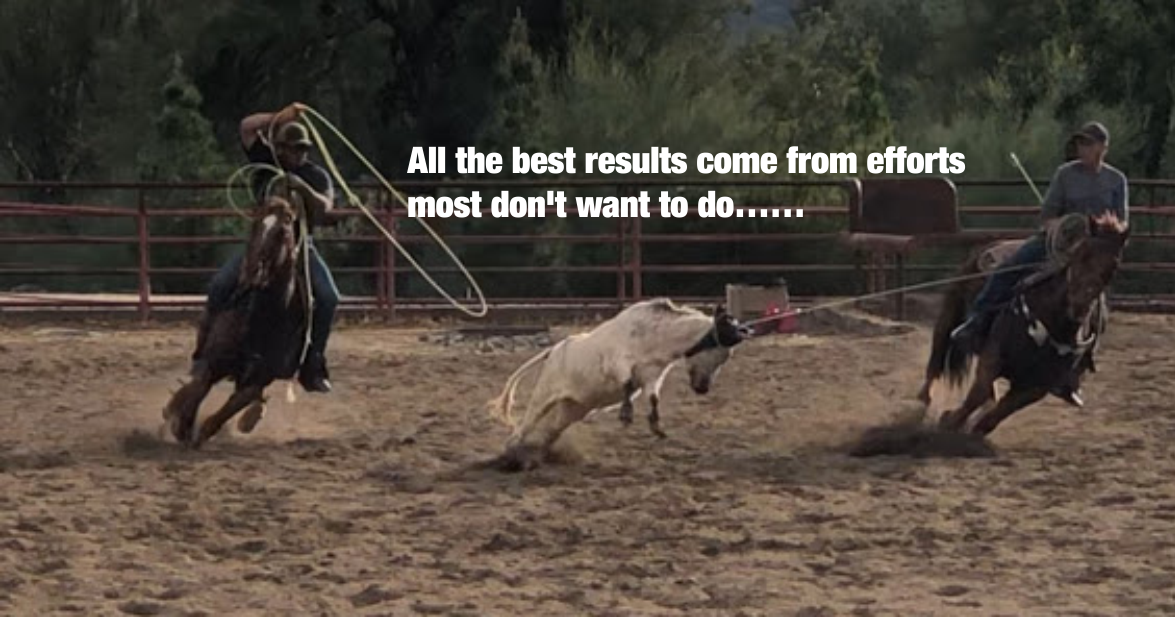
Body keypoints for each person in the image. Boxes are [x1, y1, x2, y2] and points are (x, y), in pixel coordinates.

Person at [949, 121, 1129, 407]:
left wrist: (1104, 239)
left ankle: (1073, 371)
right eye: (1080, 143)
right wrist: (1061, 227)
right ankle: (976, 322)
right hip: (1054, 243)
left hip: (1090, 254)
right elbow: (1046, 216)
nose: (1082, 149)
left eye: (1088, 144)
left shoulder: (1117, 181)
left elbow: (1121, 225)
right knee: (1008, 270)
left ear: (1102, 148)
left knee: (1098, 311)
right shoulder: (1065, 175)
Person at [190, 102, 341, 393]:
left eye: (301, 149)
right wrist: (279, 116)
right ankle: (202, 352)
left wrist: (301, 187)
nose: (296, 154)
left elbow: (325, 207)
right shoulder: (265, 160)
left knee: (328, 297)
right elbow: (247, 126)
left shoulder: (316, 176)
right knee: (220, 285)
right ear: (279, 147)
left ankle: (313, 363)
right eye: (291, 148)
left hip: (299, 245)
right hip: (260, 242)